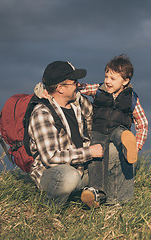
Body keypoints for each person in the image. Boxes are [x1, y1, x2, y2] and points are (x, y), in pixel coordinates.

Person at [28, 61, 104, 206]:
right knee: (69, 176)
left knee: (114, 155)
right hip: (52, 174)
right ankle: (51, 210)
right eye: (74, 82)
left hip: (81, 168)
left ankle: (98, 197)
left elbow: (98, 116)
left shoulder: (78, 103)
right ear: (61, 88)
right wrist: (89, 152)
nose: (78, 85)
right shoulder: (42, 114)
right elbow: (51, 158)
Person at [79, 54, 148, 207]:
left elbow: (142, 122)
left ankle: (128, 144)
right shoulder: (98, 89)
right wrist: (75, 86)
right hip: (98, 130)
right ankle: (96, 193)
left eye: (113, 78)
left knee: (123, 141)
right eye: (106, 77)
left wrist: (137, 145)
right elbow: (83, 88)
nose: (108, 81)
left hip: (119, 129)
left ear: (125, 81)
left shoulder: (131, 98)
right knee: (97, 157)